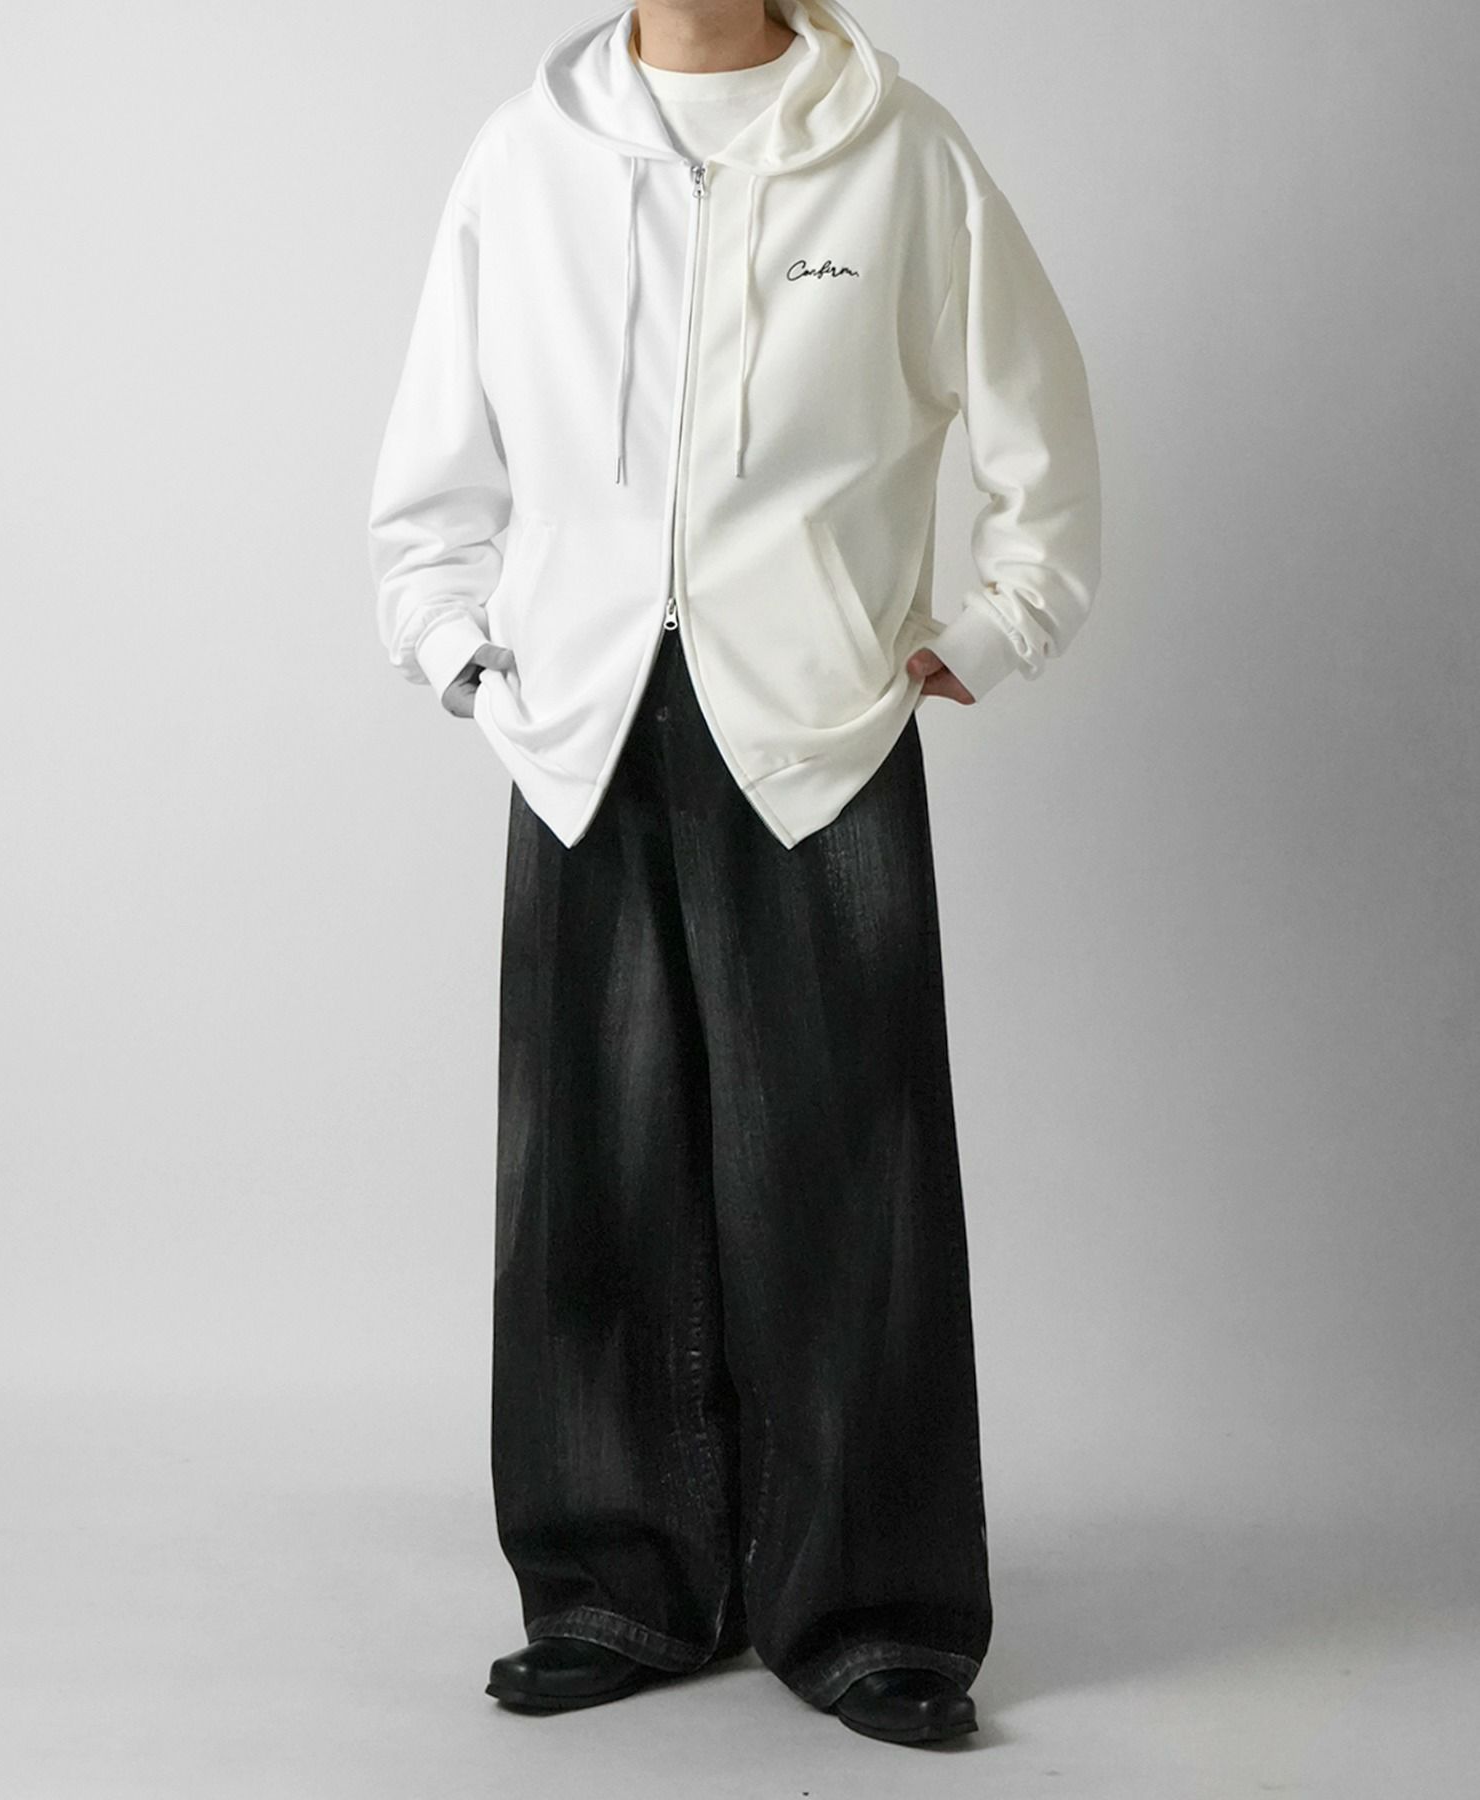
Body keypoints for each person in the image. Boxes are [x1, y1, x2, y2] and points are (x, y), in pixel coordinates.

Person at [367, 0, 1100, 1748]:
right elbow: (433, 468)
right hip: (584, 729)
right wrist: (458, 648)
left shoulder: (902, 154)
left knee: (856, 1176)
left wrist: (994, 629)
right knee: (588, 1175)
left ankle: (873, 1610)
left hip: (818, 728)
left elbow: (1040, 435)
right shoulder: (524, 159)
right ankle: (614, 1584)